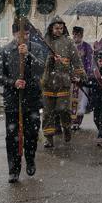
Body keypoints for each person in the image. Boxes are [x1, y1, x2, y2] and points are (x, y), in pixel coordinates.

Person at [0, 20, 46, 183]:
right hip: (12, 100)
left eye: (26, 34)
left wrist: (28, 55)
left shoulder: (36, 49)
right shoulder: (5, 51)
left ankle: (30, 159)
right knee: (12, 137)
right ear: (14, 34)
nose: (23, 37)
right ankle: (14, 169)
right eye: (20, 34)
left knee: (31, 134)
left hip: (32, 99)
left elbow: (41, 69)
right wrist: (13, 83)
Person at [41, 16, 86, 148]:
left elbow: (76, 60)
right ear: (51, 28)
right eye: (56, 28)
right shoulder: (45, 42)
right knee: (48, 112)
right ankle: (48, 138)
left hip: (63, 81)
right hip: (48, 81)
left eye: (61, 28)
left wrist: (81, 74)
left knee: (63, 109)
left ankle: (67, 128)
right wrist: (50, 60)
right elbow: (40, 61)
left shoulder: (68, 42)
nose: (59, 30)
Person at [70, 26, 93, 130]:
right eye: (74, 35)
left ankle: (78, 121)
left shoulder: (87, 47)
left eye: (78, 35)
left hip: (82, 78)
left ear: (81, 35)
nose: (76, 37)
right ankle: (72, 121)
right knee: (71, 100)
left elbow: (89, 62)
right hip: (71, 78)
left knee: (81, 101)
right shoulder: (70, 46)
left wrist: (86, 75)